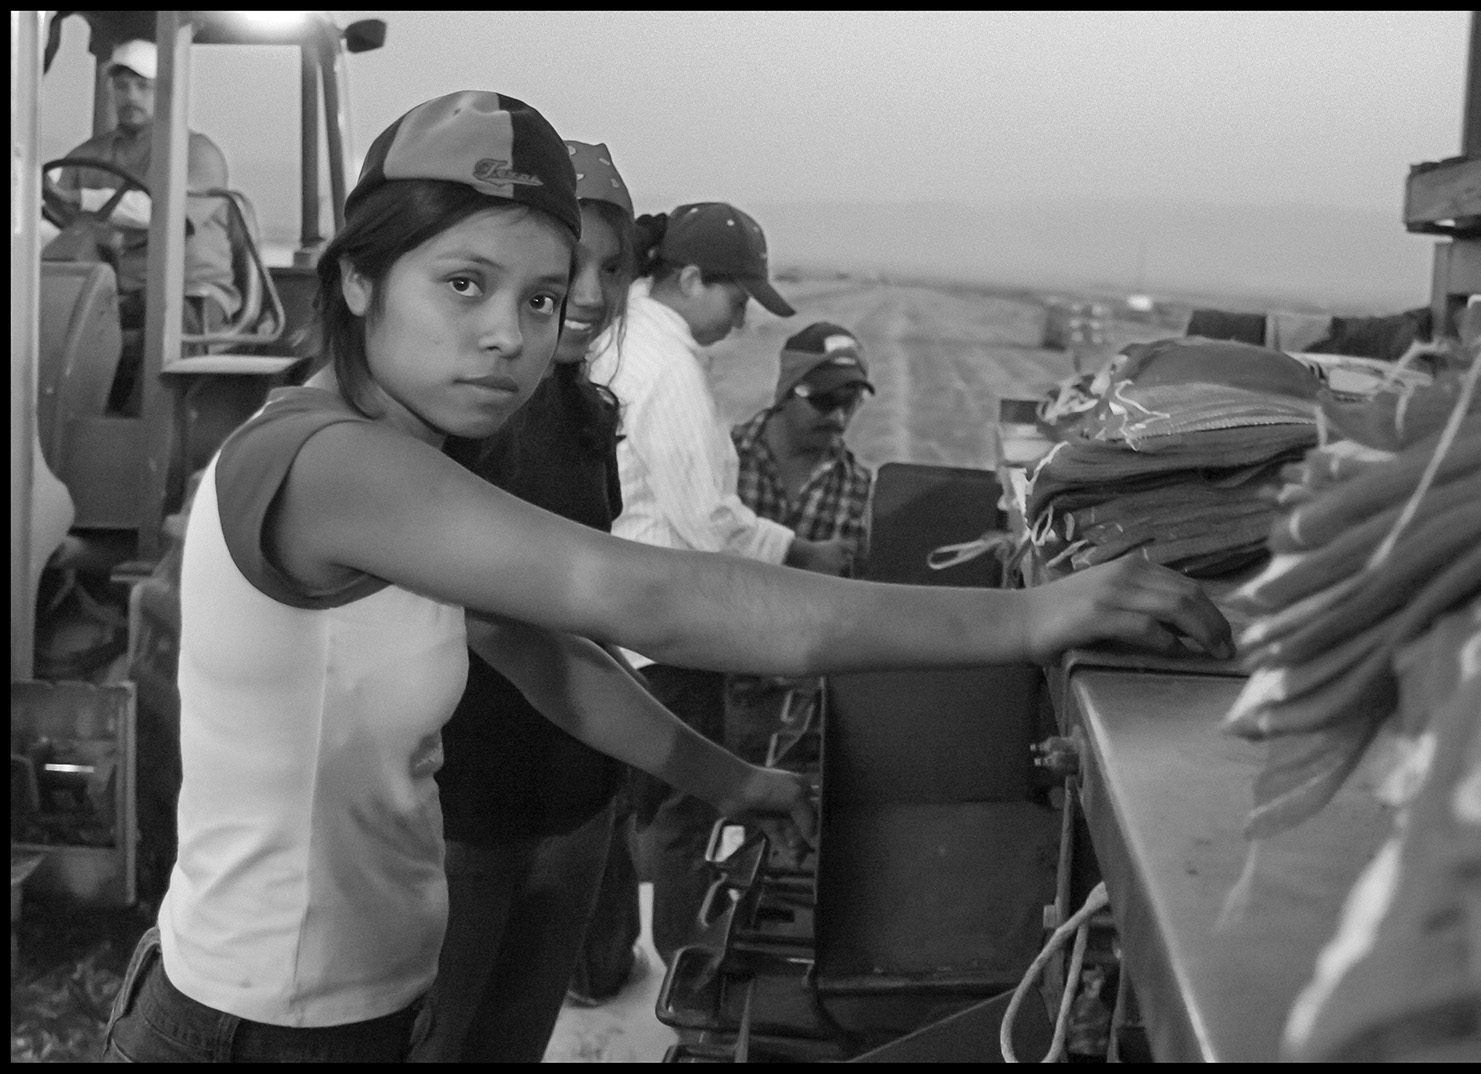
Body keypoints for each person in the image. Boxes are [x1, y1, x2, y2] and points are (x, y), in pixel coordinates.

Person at [102, 90, 1233, 1064]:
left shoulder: (410, 468)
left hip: (366, 1001)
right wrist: (1033, 616)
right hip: (263, 1028)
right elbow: (647, 597)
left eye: (541, 299)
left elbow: (544, 652)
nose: (510, 335)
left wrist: (729, 779)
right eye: (463, 283)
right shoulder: (326, 465)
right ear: (357, 281)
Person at [409, 140, 642, 1063]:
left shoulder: (588, 419)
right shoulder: (453, 424)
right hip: (460, 823)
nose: (591, 293)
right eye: (568, 267)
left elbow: (587, 621)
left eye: (614, 268)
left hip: (572, 814)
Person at [582, 201, 857, 977]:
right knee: (683, 809)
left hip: (611, 616)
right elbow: (708, 521)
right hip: (662, 631)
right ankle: (690, 958)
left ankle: (599, 963)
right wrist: (802, 551)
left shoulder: (619, 338)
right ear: (691, 278)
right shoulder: (668, 369)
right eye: (737, 301)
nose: (739, 324)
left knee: (608, 807)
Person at [47, 38, 240, 412]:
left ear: (164, 89)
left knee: (166, 322)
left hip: (191, 294)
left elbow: (162, 213)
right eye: (122, 85)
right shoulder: (87, 155)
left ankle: (138, 443)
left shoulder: (197, 153)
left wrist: (84, 200)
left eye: (143, 85)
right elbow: (54, 215)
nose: (130, 95)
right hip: (111, 293)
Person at [726, 321, 877, 762]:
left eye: (850, 403)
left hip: (799, 710)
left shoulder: (862, 491)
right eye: (825, 400)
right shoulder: (720, 462)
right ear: (787, 390)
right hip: (710, 686)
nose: (839, 418)